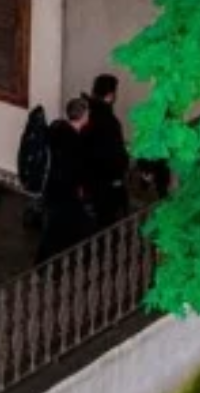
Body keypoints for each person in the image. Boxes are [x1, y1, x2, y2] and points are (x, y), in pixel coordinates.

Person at [37, 96, 94, 263]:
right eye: (87, 112)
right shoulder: (73, 141)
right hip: (65, 193)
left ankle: (49, 264)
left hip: (54, 190)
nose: (89, 115)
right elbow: (75, 169)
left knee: (58, 229)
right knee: (58, 230)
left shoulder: (58, 130)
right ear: (82, 115)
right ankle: (46, 266)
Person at [82, 74, 131, 225]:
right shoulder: (109, 122)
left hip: (86, 177)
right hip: (105, 183)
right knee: (106, 221)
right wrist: (119, 176)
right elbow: (114, 156)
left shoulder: (85, 112)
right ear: (110, 95)